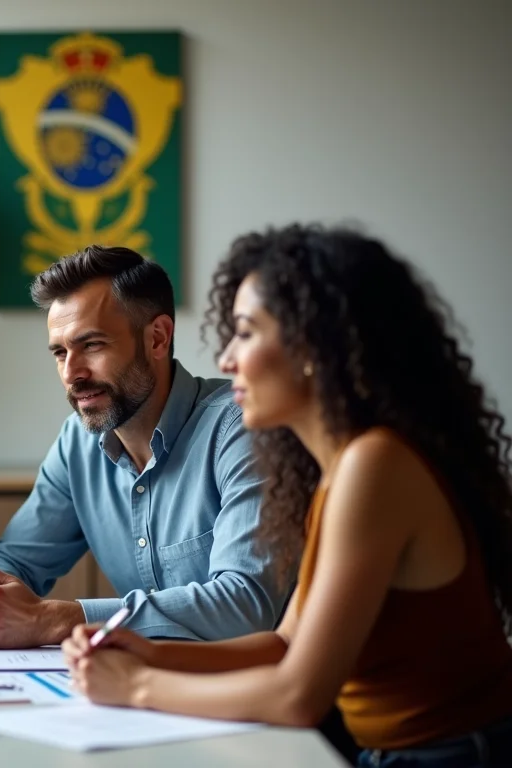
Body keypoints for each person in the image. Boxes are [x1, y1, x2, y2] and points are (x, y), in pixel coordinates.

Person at [64, 225, 512, 767]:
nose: (226, 359)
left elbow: (298, 696)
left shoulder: (375, 466)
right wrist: (148, 652)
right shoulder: (342, 467)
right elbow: (283, 643)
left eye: (246, 333)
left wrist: (137, 686)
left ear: (313, 347)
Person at [0, 246, 287, 649]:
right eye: (60, 352)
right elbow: (17, 559)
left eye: (92, 345)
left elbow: (246, 605)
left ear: (157, 338)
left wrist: (62, 619)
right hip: (139, 679)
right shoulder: (77, 443)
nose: (72, 373)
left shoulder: (242, 430)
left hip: (253, 681)